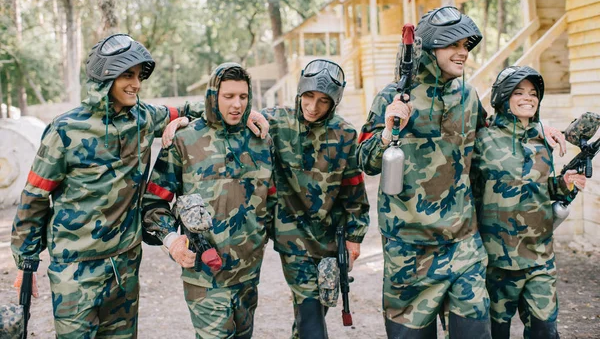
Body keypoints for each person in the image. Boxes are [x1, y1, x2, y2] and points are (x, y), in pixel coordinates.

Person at [10, 34, 267, 338]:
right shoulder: (66, 130)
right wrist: (26, 261)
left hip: (125, 266)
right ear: (105, 77)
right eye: (127, 76)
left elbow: (196, 107)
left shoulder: (143, 118)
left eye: (138, 76)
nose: (136, 84)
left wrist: (241, 108)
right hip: (74, 270)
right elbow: (35, 196)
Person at [357, 6, 492, 338]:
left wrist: (538, 129)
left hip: (463, 247)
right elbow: (366, 160)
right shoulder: (393, 96)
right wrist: (388, 132)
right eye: (454, 45)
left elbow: (493, 136)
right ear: (430, 47)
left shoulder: (468, 95)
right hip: (409, 251)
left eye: (467, 46)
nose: (463, 53)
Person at [141, 63, 277, 338]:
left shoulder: (261, 140)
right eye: (228, 96)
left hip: (249, 274)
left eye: (243, 96)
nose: (237, 104)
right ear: (213, 96)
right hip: (204, 275)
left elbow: (272, 203)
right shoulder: (184, 139)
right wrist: (171, 241)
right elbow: (153, 204)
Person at [470, 66, 586, 339]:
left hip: (539, 258)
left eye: (533, 93)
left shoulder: (541, 140)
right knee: (495, 332)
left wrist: (564, 184)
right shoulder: (482, 140)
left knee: (545, 331)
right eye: (518, 92)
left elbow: (540, 189)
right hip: (496, 262)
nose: (528, 98)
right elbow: (469, 193)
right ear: (502, 97)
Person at [260, 59, 370, 338]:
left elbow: (353, 189)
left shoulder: (345, 134)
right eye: (308, 96)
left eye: (323, 100)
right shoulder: (273, 121)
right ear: (299, 92)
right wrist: (182, 119)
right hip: (291, 236)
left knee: (318, 307)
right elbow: (229, 112)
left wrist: (355, 237)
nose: (313, 106)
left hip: (330, 239)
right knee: (310, 311)